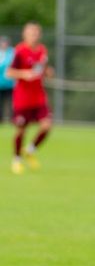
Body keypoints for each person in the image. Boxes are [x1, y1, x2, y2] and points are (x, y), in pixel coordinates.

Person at [7, 22, 53, 174]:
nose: (34, 36)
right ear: (24, 35)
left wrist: (48, 72)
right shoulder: (19, 51)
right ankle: (17, 159)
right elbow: (9, 72)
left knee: (46, 125)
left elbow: (43, 68)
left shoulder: (42, 51)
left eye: (36, 33)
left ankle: (30, 150)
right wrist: (24, 74)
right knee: (21, 130)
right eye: (31, 33)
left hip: (38, 97)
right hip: (22, 98)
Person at [0, 37, 15, 123]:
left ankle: (13, 119)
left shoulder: (12, 52)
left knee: (11, 103)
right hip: (0, 84)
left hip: (10, 84)